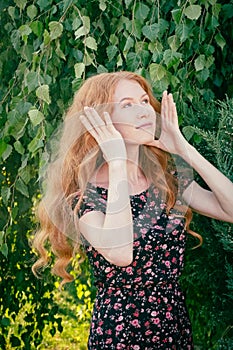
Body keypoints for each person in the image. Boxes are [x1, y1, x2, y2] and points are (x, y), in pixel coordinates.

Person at [32, 71, 233, 349]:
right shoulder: (83, 197)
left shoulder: (166, 179)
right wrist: (116, 161)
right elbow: (121, 254)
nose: (144, 111)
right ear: (102, 121)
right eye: (127, 105)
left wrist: (184, 149)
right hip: (120, 334)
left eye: (143, 101)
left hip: (173, 328)